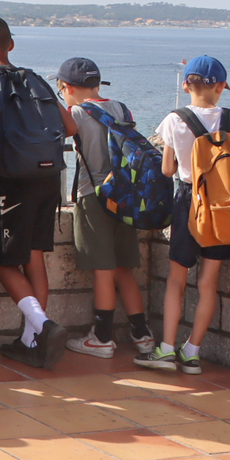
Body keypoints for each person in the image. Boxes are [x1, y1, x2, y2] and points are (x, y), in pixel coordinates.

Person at [138, 56, 230, 374]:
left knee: (176, 280)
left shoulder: (174, 118)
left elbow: (168, 170)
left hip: (187, 204)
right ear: (221, 87)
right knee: (209, 283)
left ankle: (166, 349)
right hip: (222, 208)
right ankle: (192, 352)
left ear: (185, 86)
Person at [0, 17, 69, 369]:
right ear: (11, 46)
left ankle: (42, 327)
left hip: (12, 181)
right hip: (49, 178)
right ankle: (31, 342)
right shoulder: (35, 78)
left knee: (3, 259)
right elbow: (69, 126)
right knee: (33, 256)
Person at [56, 58, 157, 361]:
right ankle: (142, 334)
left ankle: (101, 336)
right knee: (124, 267)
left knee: (103, 268)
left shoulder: (75, 113)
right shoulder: (122, 109)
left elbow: (63, 133)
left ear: (68, 87)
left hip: (94, 196)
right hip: (126, 195)